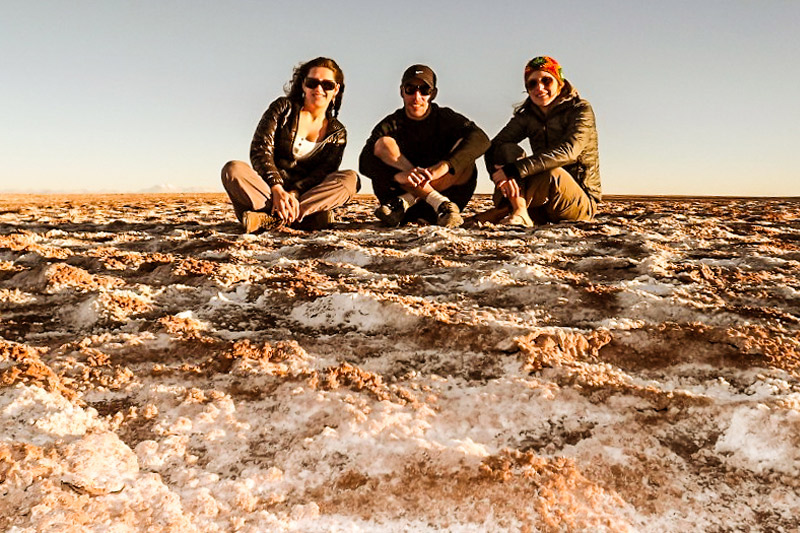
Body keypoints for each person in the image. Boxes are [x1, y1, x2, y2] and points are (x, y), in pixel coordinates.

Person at [221, 57, 359, 232]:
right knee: (233, 169)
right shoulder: (283, 109)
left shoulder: (337, 133)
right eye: (312, 82)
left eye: (327, 85)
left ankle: (271, 219)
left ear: (336, 89)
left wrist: (294, 193)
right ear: (303, 85)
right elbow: (260, 150)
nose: (319, 89)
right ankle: (304, 219)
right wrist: (277, 189)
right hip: (267, 192)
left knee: (350, 180)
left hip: (304, 196)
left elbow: (323, 173)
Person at [359, 64, 490, 228]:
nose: (417, 96)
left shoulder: (446, 118)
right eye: (410, 89)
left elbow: (481, 138)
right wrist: (398, 176)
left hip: (444, 203)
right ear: (401, 91)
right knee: (383, 143)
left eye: (424, 90)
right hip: (401, 210)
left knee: (465, 150)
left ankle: (410, 199)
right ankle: (436, 201)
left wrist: (443, 167)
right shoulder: (390, 124)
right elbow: (364, 162)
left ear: (433, 94)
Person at [482, 56, 601, 227]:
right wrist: (502, 179)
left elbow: (569, 151)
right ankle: (519, 209)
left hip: (577, 202)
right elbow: (495, 146)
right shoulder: (527, 116)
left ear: (559, 83)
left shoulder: (580, 109)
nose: (540, 88)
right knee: (506, 150)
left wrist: (515, 169)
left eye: (546, 81)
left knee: (553, 174)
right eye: (532, 83)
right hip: (539, 201)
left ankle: (512, 209)